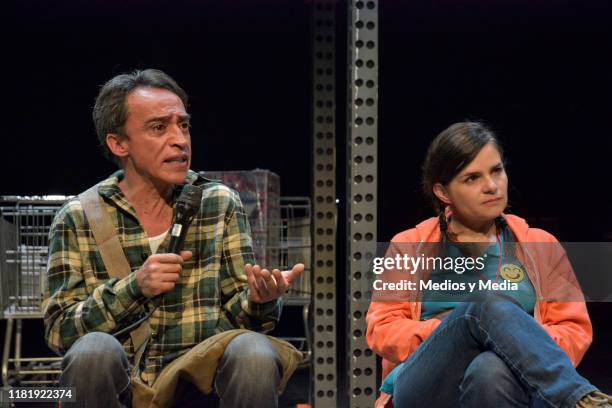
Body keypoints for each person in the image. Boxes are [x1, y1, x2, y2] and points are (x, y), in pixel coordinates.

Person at [42, 69, 304, 408]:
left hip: (196, 382)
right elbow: (60, 331)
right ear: (118, 143)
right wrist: (135, 287)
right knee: (93, 351)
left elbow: (243, 322)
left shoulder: (217, 202)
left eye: (184, 125)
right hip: (120, 383)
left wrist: (260, 299)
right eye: (158, 127)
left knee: (253, 351)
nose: (180, 139)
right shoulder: (78, 216)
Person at [366, 122, 612, 408]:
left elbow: (573, 330)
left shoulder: (540, 245)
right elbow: (381, 329)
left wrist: (511, 339)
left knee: (489, 369)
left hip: (512, 382)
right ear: (443, 192)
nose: (492, 186)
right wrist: (461, 331)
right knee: (484, 305)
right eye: (472, 178)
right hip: (425, 383)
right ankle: (578, 399)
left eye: (496, 170)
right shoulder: (409, 244)